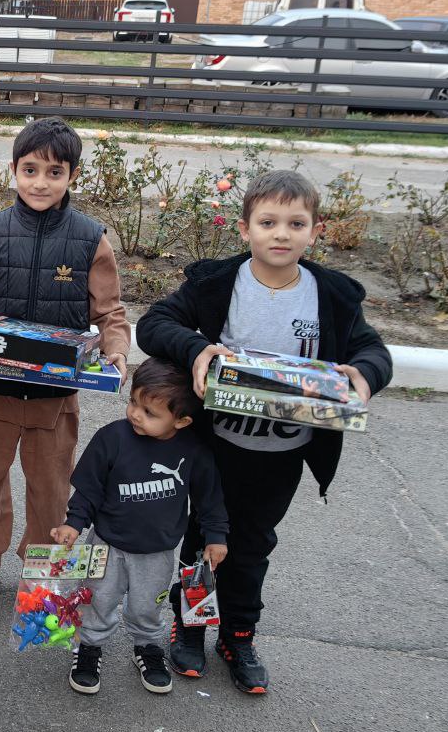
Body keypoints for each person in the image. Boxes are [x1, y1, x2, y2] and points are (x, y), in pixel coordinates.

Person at [136, 169, 392, 694]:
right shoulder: (218, 285)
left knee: (252, 547)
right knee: (202, 540)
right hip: (214, 449)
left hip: (283, 453)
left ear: (315, 231)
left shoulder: (331, 297)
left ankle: (238, 636)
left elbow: (373, 351)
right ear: (245, 228)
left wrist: (364, 375)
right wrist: (198, 349)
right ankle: (191, 627)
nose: (281, 234)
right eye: (268, 222)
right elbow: (155, 324)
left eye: (296, 224)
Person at [0, 117, 130, 615]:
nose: (41, 183)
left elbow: (110, 311)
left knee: (51, 493)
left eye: (55, 172)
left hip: (56, 398)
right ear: (13, 170)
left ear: (72, 175)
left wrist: (116, 348)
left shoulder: (91, 238)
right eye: (30, 170)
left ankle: (44, 573)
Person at [51, 358, 227, 697]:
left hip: (157, 551)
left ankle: (147, 646)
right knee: (97, 598)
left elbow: (210, 499)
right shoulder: (111, 438)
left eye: (149, 412)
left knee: (147, 605)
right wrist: (73, 524)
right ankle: (88, 646)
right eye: (133, 401)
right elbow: (88, 489)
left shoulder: (193, 451)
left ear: (181, 420)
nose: (135, 414)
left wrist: (216, 537)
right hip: (105, 544)